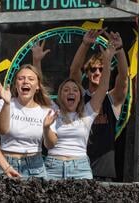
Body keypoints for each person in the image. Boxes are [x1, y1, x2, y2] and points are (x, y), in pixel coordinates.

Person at [45, 42, 116, 180]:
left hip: (80, 168)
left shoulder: (88, 113)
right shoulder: (53, 111)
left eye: (75, 90)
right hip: (53, 167)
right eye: (66, 90)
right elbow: (39, 91)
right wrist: (36, 61)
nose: (70, 92)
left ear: (80, 96)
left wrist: (107, 62)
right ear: (60, 95)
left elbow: (103, 87)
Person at [69, 30, 129, 180]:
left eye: (101, 69)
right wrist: (85, 44)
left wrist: (120, 50)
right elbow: (74, 71)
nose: (97, 72)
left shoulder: (112, 99)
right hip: (76, 170)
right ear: (87, 73)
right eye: (93, 69)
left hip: (103, 172)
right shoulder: (79, 96)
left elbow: (123, 77)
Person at [0, 64, 58, 178]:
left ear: (37, 86)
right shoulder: (5, 103)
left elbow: (50, 145)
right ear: (16, 84)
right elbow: (1, 130)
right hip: (6, 164)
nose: (25, 81)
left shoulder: (46, 110)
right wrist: (7, 104)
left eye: (31, 79)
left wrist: (47, 128)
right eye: (21, 78)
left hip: (34, 167)